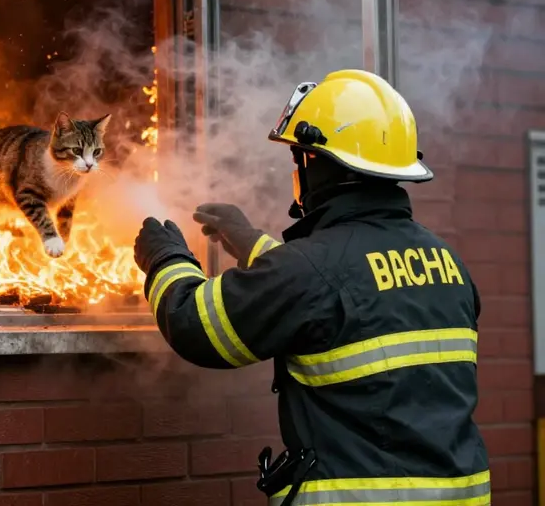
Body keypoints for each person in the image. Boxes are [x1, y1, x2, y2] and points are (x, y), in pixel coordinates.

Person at [134, 69, 489, 505]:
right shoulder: (447, 263)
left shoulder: (311, 269)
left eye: (297, 157)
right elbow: (346, 298)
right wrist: (251, 243)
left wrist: (165, 258)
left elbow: (196, 325)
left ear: (315, 162)